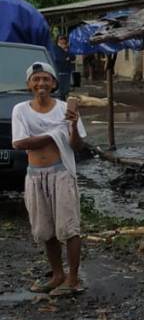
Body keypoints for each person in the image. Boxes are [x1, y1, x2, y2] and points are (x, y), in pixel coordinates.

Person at [11, 61, 87, 296]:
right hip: (35, 176)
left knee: (69, 227)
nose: (41, 83)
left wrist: (72, 126)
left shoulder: (66, 109)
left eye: (46, 79)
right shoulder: (20, 110)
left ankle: (73, 278)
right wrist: (56, 133)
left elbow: (77, 145)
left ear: (54, 83)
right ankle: (57, 275)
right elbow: (19, 143)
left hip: (61, 172)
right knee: (45, 229)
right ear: (29, 85)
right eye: (36, 79)